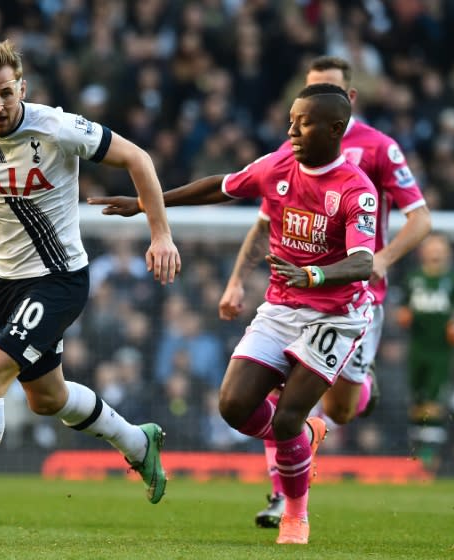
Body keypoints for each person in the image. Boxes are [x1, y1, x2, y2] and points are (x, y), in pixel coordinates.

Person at [0, 40, 181, 544]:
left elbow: (138, 157)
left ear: (23, 87)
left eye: (5, 93)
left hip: (61, 278)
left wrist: (161, 234)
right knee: (48, 399)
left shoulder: (57, 126)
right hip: (9, 280)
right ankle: (137, 440)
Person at [90, 83, 377, 545]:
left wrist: (315, 277)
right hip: (281, 307)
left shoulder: (356, 190)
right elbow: (218, 187)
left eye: (303, 122)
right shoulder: (279, 164)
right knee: (233, 407)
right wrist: (149, 203)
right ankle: (305, 436)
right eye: (290, 120)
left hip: (334, 316)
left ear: (335, 128)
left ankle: (295, 515)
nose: (292, 130)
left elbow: (365, 262)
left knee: (283, 421)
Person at [220, 56, 431, 529]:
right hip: (291, 299)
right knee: (276, 398)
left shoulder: (379, 149)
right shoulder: (294, 146)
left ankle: (353, 393)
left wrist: (381, 260)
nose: (309, 104)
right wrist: (237, 278)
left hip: (354, 297)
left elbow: (421, 219)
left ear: (347, 99)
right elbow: (262, 220)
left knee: (340, 407)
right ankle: (284, 496)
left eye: (326, 90)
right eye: (308, 91)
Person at [396, 233, 454, 472]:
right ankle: (416, 449)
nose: (435, 252)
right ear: (423, 253)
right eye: (431, 247)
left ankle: (430, 455)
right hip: (417, 348)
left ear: (447, 253)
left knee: (434, 400)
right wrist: (403, 317)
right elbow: (403, 312)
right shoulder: (413, 279)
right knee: (416, 400)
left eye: (439, 247)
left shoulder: (451, 281)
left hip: (440, 351)